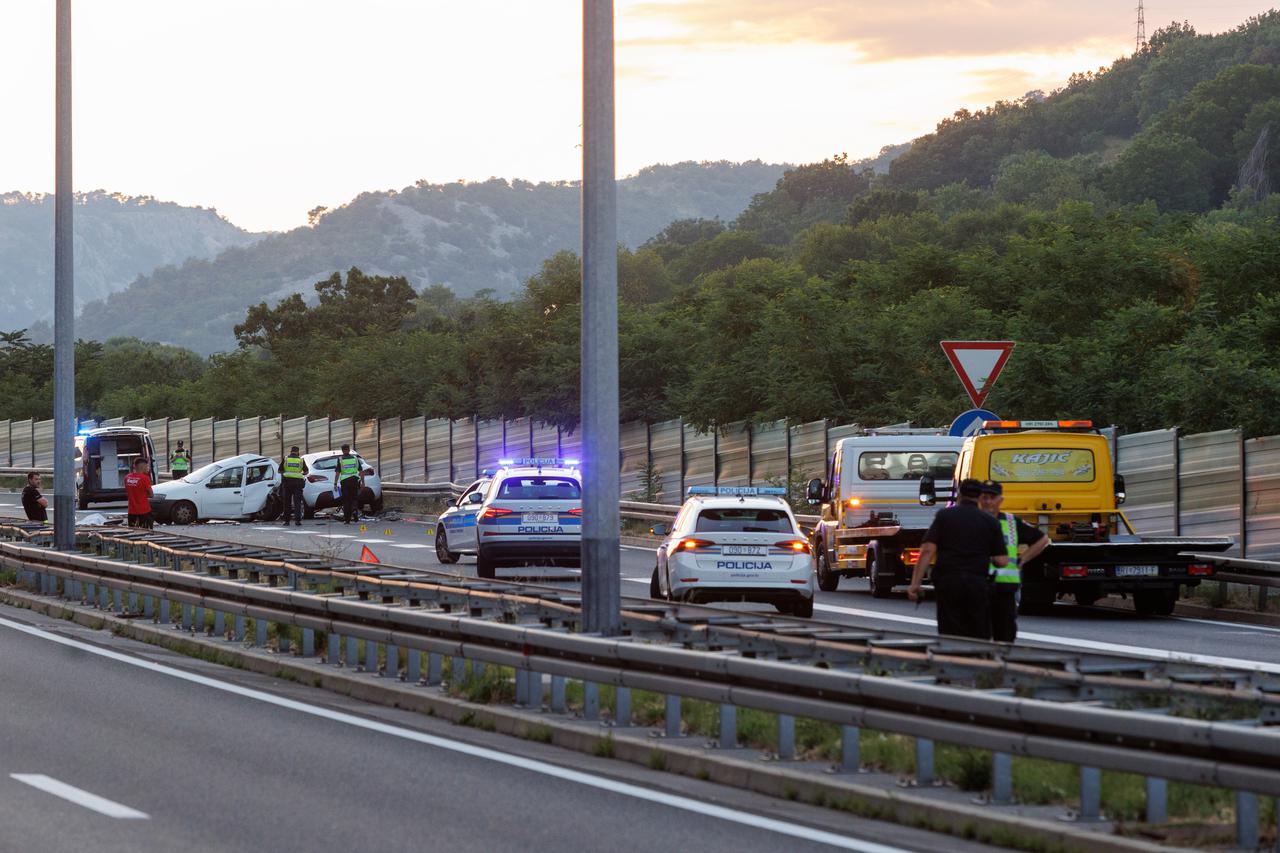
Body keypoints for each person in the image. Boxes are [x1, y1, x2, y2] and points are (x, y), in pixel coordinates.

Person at [907, 478, 1009, 639]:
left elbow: (927, 550)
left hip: (949, 582)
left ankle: (952, 659)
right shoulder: (990, 521)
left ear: (959, 494)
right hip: (977, 583)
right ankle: (975, 660)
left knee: (950, 630)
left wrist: (915, 584)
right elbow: (1002, 561)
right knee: (978, 631)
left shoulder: (944, 516)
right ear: (980, 496)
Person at [978, 480, 1050, 643]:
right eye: (984, 497)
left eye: (992, 497)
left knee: (1005, 634)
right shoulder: (973, 520)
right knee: (979, 636)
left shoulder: (1011, 522)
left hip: (1005, 587)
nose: (988, 501)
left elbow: (1042, 539)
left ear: (1000, 500)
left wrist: (1022, 560)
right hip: (979, 585)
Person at [332, 444, 364, 524]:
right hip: (354, 480)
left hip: (345, 482)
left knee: (346, 500)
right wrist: (363, 482)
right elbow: (361, 471)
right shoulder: (355, 459)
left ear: (342, 450)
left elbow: (337, 473)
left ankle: (347, 520)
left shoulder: (340, 460)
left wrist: (335, 483)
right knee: (354, 498)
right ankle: (354, 510)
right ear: (349, 450)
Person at [280, 446, 308, 527]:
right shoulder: (301, 460)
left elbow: (279, 471)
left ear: (291, 451)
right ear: (298, 452)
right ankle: (297, 521)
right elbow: (306, 472)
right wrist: (300, 474)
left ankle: (286, 521)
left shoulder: (286, 459)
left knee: (287, 503)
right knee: (297, 503)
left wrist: (287, 473)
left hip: (287, 483)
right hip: (298, 483)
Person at [124, 457, 154, 529]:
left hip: (131, 511)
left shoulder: (127, 478)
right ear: (142, 466)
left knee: (133, 533)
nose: (148, 468)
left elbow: (129, 492)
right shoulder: (145, 478)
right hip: (144, 511)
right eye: (147, 466)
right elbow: (151, 494)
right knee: (147, 532)